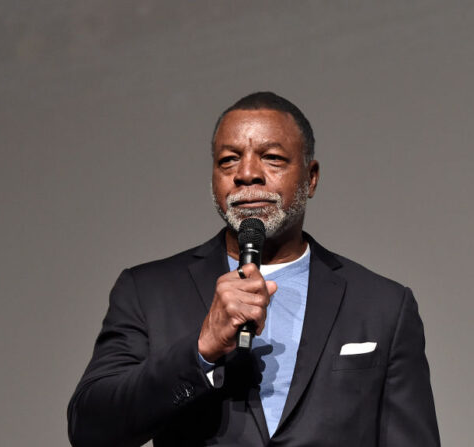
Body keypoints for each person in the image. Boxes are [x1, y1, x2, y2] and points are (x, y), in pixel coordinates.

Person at [67, 92, 440, 446]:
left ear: (311, 178)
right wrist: (200, 351)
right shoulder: (148, 291)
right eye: (228, 160)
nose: (247, 174)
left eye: (272, 158)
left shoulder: (382, 305)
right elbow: (90, 428)